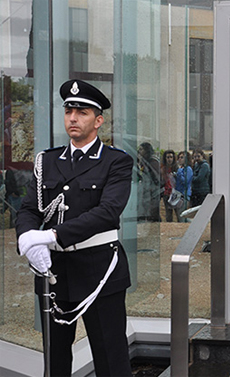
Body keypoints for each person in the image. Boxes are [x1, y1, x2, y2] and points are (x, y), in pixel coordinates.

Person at [15, 79, 134, 376]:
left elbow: (107, 213)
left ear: (98, 120)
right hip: (55, 273)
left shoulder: (115, 162)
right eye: (69, 111)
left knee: (111, 359)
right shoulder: (49, 160)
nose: (72, 118)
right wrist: (28, 240)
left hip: (100, 270)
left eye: (81, 112)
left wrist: (51, 235)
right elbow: (30, 208)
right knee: (55, 362)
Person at [137, 141, 161, 222]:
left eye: (141, 149)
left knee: (153, 211)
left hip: (153, 190)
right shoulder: (143, 161)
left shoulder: (153, 161)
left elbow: (155, 176)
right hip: (146, 188)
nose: (139, 151)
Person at [160, 149, 180, 222]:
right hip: (166, 193)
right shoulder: (163, 168)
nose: (169, 159)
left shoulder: (176, 168)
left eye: (171, 157)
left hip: (175, 193)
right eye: (168, 157)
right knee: (168, 214)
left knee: (178, 213)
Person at [175, 151, 193, 221]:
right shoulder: (182, 169)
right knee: (179, 216)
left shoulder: (188, 169)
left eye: (182, 158)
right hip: (178, 195)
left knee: (181, 217)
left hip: (183, 196)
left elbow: (185, 182)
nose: (179, 159)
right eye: (179, 157)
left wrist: (179, 172)